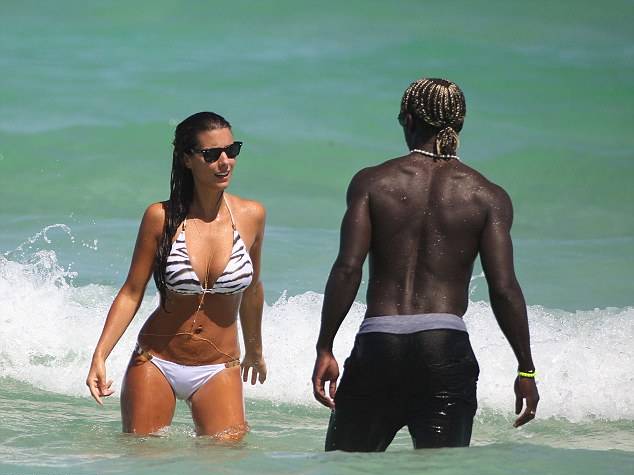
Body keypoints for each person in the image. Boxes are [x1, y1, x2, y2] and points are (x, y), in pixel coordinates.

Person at [311, 78, 539, 451]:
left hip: (379, 346)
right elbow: (504, 287)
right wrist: (526, 369)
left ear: (409, 119)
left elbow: (347, 269)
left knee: (347, 470)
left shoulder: (372, 183)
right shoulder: (487, 196)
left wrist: (325, 347)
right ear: (460, 123)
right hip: (444, 351)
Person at [86, 112, 267, 439]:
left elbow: (252, 290)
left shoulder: (251, 215)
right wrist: (100, 355)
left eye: (232, 150)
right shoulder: (161, 217)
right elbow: (132, 291)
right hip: (156, 361)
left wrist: (255, 349)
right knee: (145, 459)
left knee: (227, 460)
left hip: (220, 365)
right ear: (187, 159)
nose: (225, 162)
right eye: (211, 154)